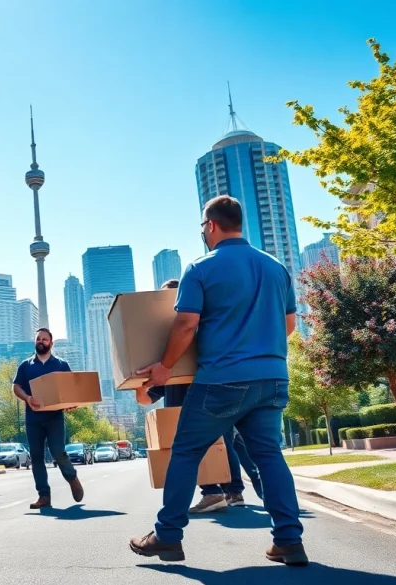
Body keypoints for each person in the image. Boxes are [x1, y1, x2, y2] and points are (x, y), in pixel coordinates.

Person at [128, 195, 307, 566]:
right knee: (269, 456)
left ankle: (167, 536)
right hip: (272, 377)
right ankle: (288, 540)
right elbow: (289, 325)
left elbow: (186, 324)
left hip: (223, 379)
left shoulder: (201, 268)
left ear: (210, 225)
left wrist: (163, 367)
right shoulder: (276, 268)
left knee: (187, 452)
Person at [140, 279, 263, 511]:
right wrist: (138, 385)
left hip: (213, 391)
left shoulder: (199, 329)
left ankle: (225, 492)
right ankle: (223, 492)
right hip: (184, 401)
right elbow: (148, 396)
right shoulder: (163, 343)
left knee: (221, 445)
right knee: (218, 446)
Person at [13, 328, 84, 509]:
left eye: (45, 339)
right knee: (36, 457)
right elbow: (16, 387)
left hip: (54, 418)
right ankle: (43, 496)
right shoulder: (25, 366)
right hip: (33, 419)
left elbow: (71, 389)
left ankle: (72, 477)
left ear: (51, 344)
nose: (41, 341)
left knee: (58, 452)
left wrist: (71, 403)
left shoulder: (61, 365)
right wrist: (27, 398)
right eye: (38, 339)